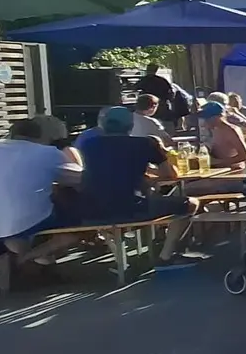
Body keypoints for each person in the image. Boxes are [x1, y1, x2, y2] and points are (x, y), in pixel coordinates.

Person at [0, 118, 84, 284]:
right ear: (41, 136)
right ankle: (27, 258)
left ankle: (38, 265)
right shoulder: (47, 152)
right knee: (77, 226)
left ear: (11, 134)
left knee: (16, 232)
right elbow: (81, 179)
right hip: (22, 222)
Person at [78, 106, 196, 267]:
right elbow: (171, 175)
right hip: (130, 207)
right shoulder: (144, 144)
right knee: (189, 204)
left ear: (104, 124)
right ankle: (166, 256)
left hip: (92, 209)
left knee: (150, 198)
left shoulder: (88, 145)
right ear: (130, 126)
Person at [198, 102, 246, 169]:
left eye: (207, 119)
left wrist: (218, 164)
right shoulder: (215, 129)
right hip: (219, 168)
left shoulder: (231, 131)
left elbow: (245, 156)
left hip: (233, 169)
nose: (205, 122)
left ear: (217, 117)